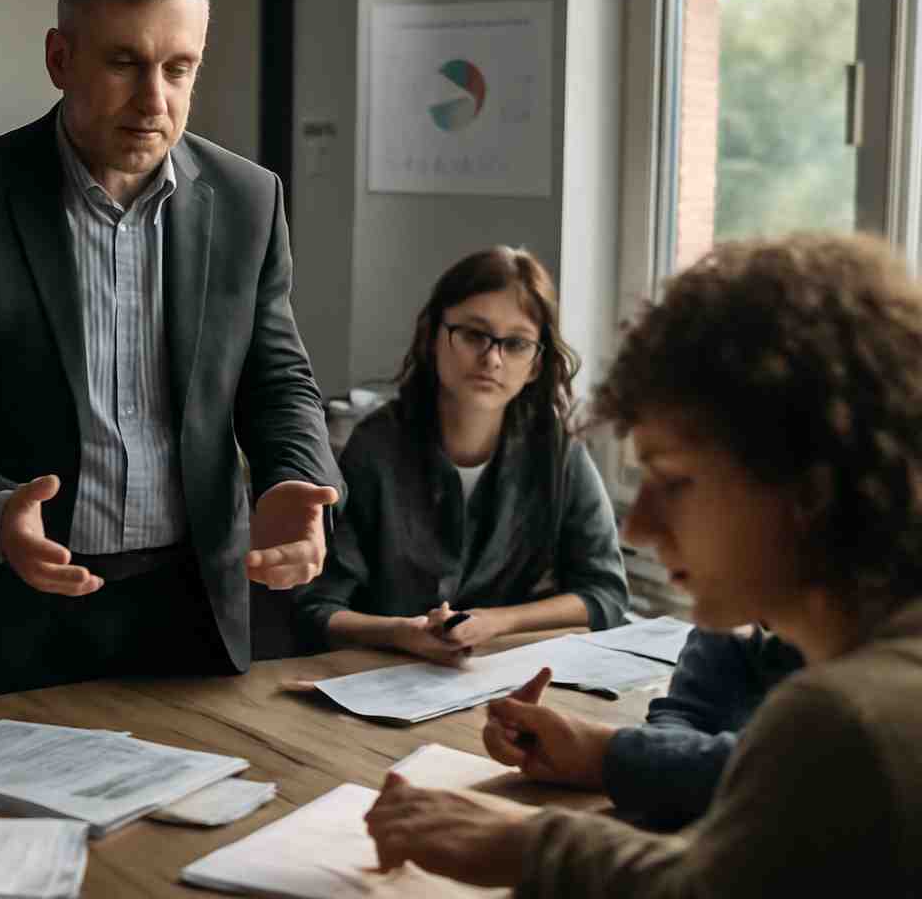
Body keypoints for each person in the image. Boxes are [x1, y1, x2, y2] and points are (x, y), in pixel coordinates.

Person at [0, 0, 343, 704]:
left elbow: (277, 377)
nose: (154, 100)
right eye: (124, 63)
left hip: (189, 611)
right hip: (8, 610)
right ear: (60, 59)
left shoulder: (250, 200)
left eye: (178, 68)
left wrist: (296, 475)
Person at [364, 233, 922, 893]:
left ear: (809, 483)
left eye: (674, 480)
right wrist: (573, 793)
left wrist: (537, 844)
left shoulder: (842, 721)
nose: (639, 525)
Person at [291, 247, 628, 663]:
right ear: (434, 337)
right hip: (379, 678)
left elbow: (606, 595)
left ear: (537, 364)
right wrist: (401, 632)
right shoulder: (376, 448)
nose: (492, 359)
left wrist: (494, 622)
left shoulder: (558, 456)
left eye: (517, 344)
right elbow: (315, 607)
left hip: (497, 680)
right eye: (472, 335)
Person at [481, 623, 803, 829]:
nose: (633, 533)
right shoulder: (732, 612)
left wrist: (602, 754)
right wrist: (649, 761)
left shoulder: (848, 677)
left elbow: (797, 772)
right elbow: (688, 715)